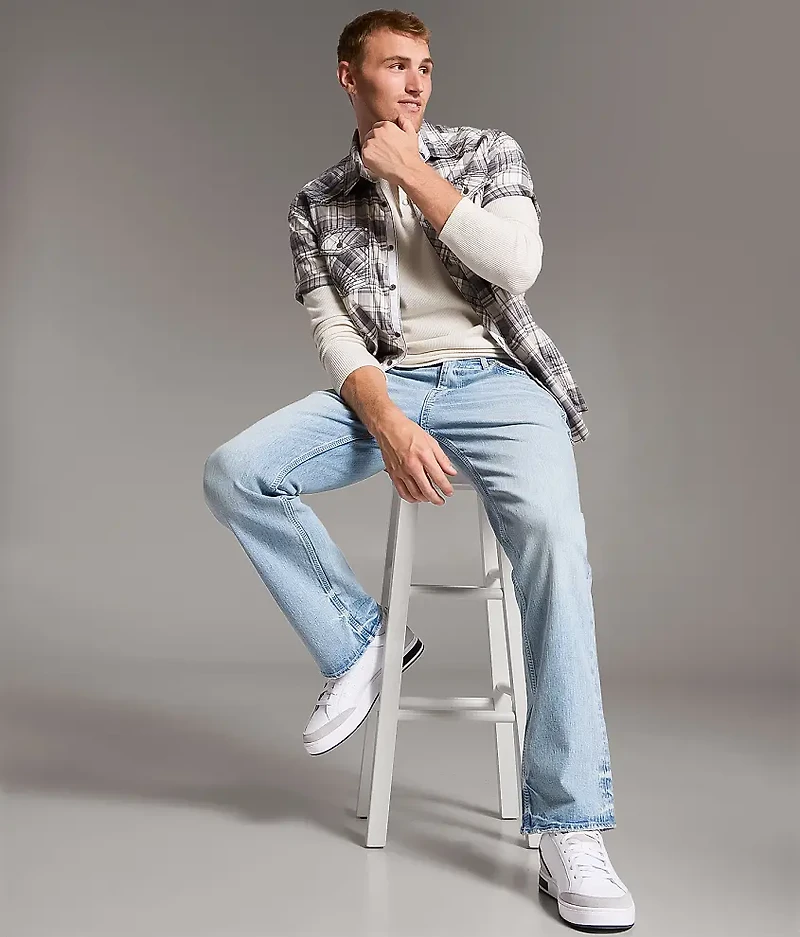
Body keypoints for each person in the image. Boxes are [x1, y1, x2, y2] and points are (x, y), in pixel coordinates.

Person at [203, 9, 635, 931]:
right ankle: (362, 642)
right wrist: (390, 422)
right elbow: (334, 334)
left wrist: (416, 176)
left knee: (555, 546)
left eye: (425, 67)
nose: (414, 82)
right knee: (237, 472)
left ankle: (571, 826)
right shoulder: (317, 203)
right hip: (389, 385)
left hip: (499, 382)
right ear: (348, 76)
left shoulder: (485, 152)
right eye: (395, 65)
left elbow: (517, 266)